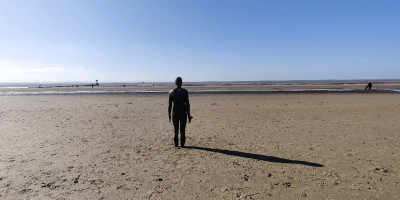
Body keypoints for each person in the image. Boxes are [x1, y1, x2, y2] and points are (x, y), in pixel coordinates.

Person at [168, 77, 192, 147]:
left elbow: (170, 105)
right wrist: (189, 115)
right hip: (183, 112)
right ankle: (182, 144)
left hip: (175, 113)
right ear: (181, 83)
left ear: (175, 83)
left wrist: (169, 114)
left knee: (176, 130)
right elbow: (187, 104)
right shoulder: (185, 92)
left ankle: (176, 144)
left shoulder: (171, 92)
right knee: (182, 130)